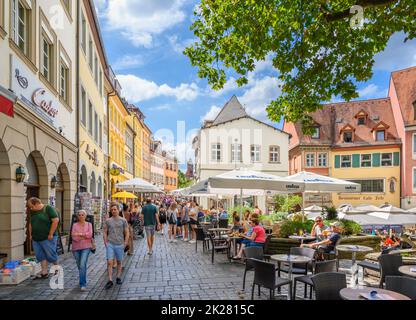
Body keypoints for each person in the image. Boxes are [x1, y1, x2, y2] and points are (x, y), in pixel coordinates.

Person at [27, 197, 60, 279]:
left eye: (31, 206)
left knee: (51, 254)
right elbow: (31, 223)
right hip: (36, 237)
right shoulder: (33, 211)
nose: (31, 208)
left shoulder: (48, 208)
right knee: (40, 255)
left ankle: (57, 269)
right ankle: (44, 272)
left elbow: (55, 220)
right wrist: (31, 234)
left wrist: (51, 234)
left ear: (37, 203)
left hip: (48, 237)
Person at [103, 203, 129, 289]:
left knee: (119, 262)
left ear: (119, 210)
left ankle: (118, 277)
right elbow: (105, 232)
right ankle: (110, 280)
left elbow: (127, 232)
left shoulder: (123, 220)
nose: (113, 211)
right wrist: (105, 242)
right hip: (110, 244)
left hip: (120, 244)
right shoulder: (108, 221)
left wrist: (125, 243)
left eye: (115, 209)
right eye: (112, 209)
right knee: (109, 262)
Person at [71, 210, 93, 291]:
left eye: (82, 215)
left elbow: (90, 235)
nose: (81, 216)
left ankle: (82, 284)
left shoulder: (89, 224)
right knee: (80, 265)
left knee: (82, 264)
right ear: (77, 216)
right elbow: (73, 237)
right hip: (76, 247)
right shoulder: (74, 225)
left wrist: (79, 234)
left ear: (85, 216)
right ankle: (82, 276)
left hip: (86, 247)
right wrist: (84, 235)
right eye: (79, 215)